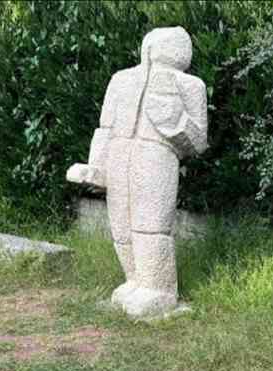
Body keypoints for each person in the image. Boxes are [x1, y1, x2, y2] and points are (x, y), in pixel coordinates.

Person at [66, 26, 208, 317]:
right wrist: (96, 165)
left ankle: (159, 289)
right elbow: (105, 128)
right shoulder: (122, 80)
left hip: (156, 156)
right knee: (121, 224)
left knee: (151, 224)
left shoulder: (190, 86)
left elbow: (197, 141)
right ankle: (134, 280)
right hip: (119, 154)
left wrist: (175, 120)